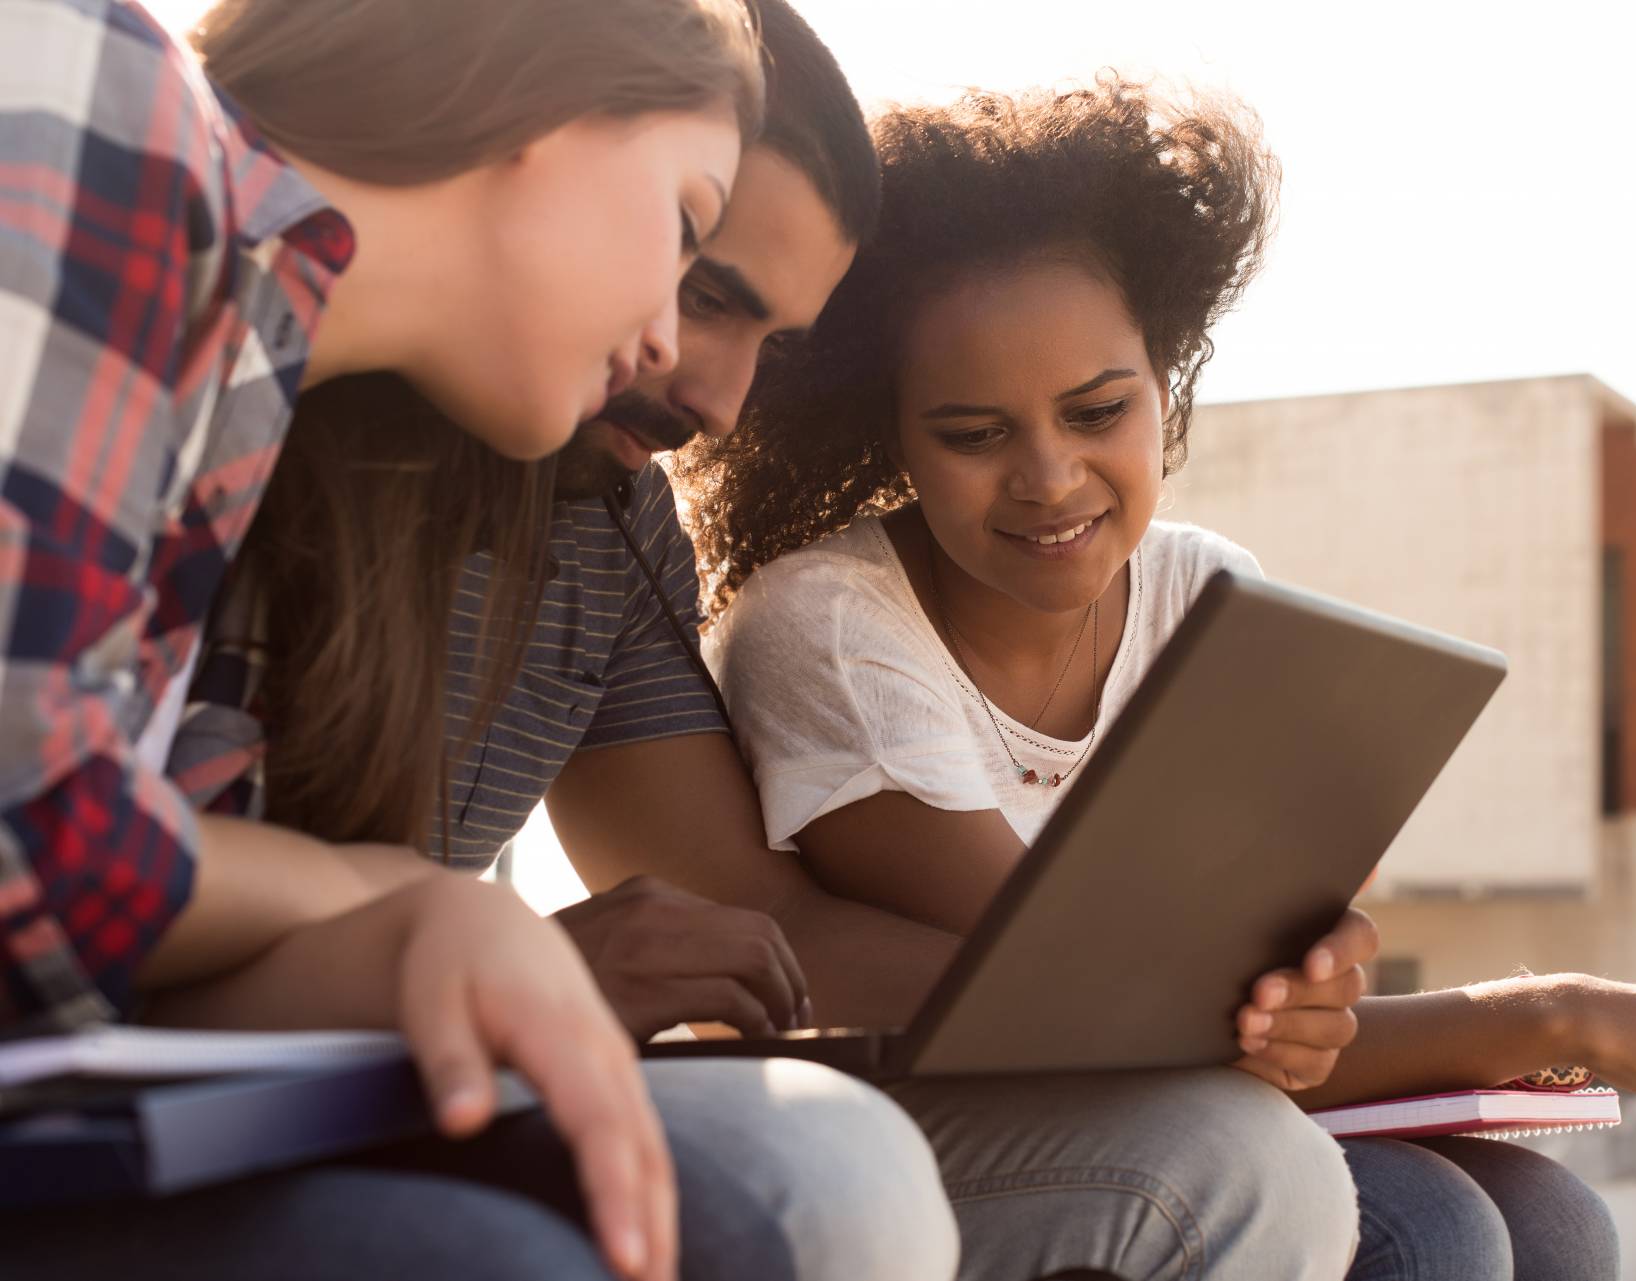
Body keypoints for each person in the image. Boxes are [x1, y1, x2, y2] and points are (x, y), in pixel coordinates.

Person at [690, 78, 1636, 1280]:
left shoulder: (1206, 595)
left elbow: (1247, 1006)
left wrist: (1312, 989)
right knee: (1431, 1232)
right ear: (892, 433)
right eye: (974, 434)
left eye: (1099, 410)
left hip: (1174, 1105)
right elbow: (1113, 1017)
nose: (1051, 477)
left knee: (1551, 1223)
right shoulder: (830, 626)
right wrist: (1566, 1019)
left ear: (1163, 382)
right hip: (956, 1137)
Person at [0, 4, 955, 1280]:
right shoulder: (102, 95)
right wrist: (405, 903)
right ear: (540, 105)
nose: (693, 367)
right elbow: (45, 845)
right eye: (686, 233)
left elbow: (117, 949)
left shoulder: (241, 396)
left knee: (803, 1179)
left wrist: (434, 943)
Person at [410, 11, 1362, 1279]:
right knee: (1199, 1170)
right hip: (349, 1065)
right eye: (700, 288)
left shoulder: (618, 522)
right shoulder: (242, 418)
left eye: (773, 343)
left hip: (435, 1059)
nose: (716, 403)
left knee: (1456, 1204)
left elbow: (751, 914)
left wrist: (1222, 991)